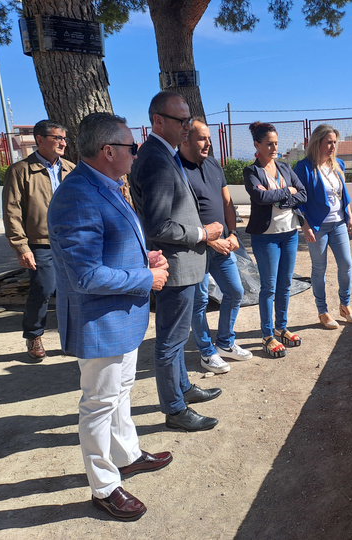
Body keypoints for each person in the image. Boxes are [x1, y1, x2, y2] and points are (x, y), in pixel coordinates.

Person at [47, 112, 172, 521]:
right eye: (132, 148)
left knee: (121, 392)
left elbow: (108, 247)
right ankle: (104, 485)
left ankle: (128, 454)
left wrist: (143, 257)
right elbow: (85, 274)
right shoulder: (77, 195)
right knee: (99, 404)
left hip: (120, 316)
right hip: (99, 321)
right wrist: (146, 277)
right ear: (108, 151)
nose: (136, 155)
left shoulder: (104, 186)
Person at [130, 91, 223, 432]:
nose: (187, 126)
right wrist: (202, 233)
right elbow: (158, 225)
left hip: (185, 266)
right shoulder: (155, 159)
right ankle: (174, 408)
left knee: (179, 336)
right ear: (158, 120)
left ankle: (183, 388)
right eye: (181, 120)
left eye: (188, 119)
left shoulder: (163, 154)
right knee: (170, 341)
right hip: (175, 267)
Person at [179, 119, 253, 373]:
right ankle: (206, 352)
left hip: (224, 246)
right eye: (202, 138)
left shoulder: (212, 165)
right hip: (194, 249)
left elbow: (227, 203)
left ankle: (224, 343)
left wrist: (233, 233)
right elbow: (176, 216)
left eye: (209, 138)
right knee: (199, 301)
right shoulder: (176, 168)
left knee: (235, 292)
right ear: (185, 139)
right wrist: (209, 239)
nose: (208, 143)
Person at [3, 119, 75, 360]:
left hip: (71, 242)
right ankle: (33, 335)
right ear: (40, 140)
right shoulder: (21, 171)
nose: (63, 142)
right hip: (41, 243)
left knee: (73, 290)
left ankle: (72, 337)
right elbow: (12, 212)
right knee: (43, 289)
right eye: (57, 138)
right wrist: (21, 247)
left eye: (64, 138)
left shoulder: (71, 169)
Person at [244, 122, 307, 358]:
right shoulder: (251, 171)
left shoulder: (285, 168)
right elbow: (260, 197)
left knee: (286, 285)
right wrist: (287, 192)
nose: (274, 148)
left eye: (276, 144)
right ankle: (268, 335)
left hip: (290, 233)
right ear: (257, 145)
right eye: (269, 144)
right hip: (266, 237)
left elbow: (303, 194)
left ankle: (281, 328)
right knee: (268, 288)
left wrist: (282, 198)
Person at [294, 124, 352, 329]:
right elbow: (299, 200)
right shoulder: (303, 167)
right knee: (319, 269)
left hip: (338, 222)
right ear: (317, 142)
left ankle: (344, 305)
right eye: (328, 142)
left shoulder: (338, 164)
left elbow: (342, 194)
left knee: (346, 264)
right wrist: (305, 225)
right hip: (317, 225)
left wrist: (350, 216)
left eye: (334, 142)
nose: (332, 146)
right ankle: (322, 311)